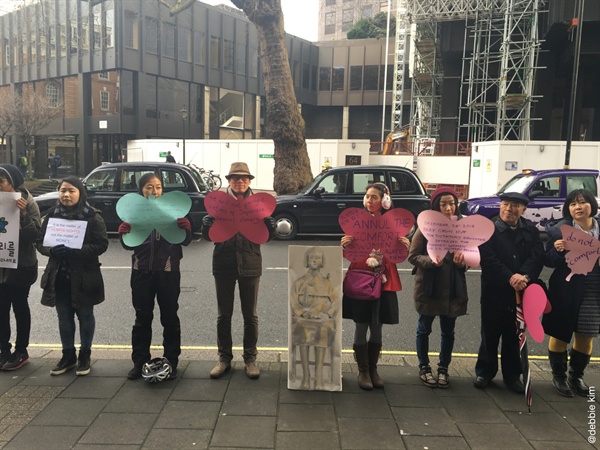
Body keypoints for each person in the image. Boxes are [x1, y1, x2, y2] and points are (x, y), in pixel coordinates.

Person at [202, 162, 276, 380]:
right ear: (229, 180)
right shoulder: (219, 205)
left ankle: (250, 359)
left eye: (244, 178)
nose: (240, 181)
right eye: (235, 178)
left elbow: (264, 237)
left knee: (250, 315)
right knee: (224, 315)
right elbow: (209, 236)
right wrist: (206, 226)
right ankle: (224, 358)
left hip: (250, 263)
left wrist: (271, 228)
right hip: (223, 263)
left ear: (250, 181)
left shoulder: (260, 206)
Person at [118, 173, 192, 380]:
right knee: (142, 318)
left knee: (169, 318)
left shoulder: (173, 211)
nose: (155, 191)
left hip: (168, 271)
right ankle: (139, 361)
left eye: (158, 187)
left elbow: (185, 241)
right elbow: (128, 244)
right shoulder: (133, 212)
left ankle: (172, 360)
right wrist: (123, 233)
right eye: (149, 187)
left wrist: (187, 228)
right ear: (142, 191)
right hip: (141, 271)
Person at [340, 182, 409, 390]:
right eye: (367, 197)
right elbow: (349, 252)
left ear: (385, 201)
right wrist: (345, 243)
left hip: (383, 279)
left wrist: (403, 244)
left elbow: (397, 253)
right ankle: (363, 370)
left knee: (377, 326)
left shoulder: (392, 224)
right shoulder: (357, 223)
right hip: (361, 277)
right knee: (361, 324)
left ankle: (373, 368)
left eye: (375, 197)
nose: (370, 201)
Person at [37, 176, 108, 376]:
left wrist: (77, 250)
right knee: (64, 317)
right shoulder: (51, 215)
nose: (66, 195)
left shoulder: (93, 216)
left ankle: (85, 354)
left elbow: (102, 244)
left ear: (80, 193)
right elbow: (40, 241)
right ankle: (67, 355)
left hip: (84, 277)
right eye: (62, 191)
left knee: (85, 316)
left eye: (71, 191)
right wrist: (51, 251)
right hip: (59, 276)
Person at [473, 192, 544, 392]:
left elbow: (536, 256)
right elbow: (487, 258)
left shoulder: (530, 230)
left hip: (521, 292)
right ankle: (484, 372)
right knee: (490, 333)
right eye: (505, 204)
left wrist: (525, 276)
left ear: (523, 210)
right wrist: (510, 277)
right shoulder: (490, 229)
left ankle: (513, 375)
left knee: (515, 335)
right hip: (494, 290)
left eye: (514, 206)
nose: (508, 209)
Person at [408, 186, 468, 388]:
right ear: (435, 206)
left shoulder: (462, 226)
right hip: (430, 287)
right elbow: (413, 255)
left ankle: (444, 367)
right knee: (424, 328)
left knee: (448, 331)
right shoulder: (425, 226)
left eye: (452, 203)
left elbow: (470, 256)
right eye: (444, 204)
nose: (449, 208)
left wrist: (462, 262)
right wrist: (430, 261)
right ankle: (423, 366)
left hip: (453, 287)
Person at [543, 189, 599, 397]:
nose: (578, 207)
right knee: (561, 331)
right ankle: (559, 376)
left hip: (594, 286)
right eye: (573, 204)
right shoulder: (561, 230)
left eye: (582, 203)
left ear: (592, 205)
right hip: (567, 285)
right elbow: (547, 260)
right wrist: (557, 251)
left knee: (586, 332)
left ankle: (576, 376)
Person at [0, 164, 40, 371]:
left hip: (21, 265)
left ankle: (21, 350)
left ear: (12, 183)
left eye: (1, 181)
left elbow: (34, 235)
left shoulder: (27, 202)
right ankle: (3, 351)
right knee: (1, 309)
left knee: (19, 306)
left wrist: (23, 215)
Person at [290, 247, 338, 390]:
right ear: (307, 260)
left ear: (322, 261)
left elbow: (334, 303)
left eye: (317, 258)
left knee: (323, 332)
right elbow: (294, 302)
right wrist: (303, 313)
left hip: (322, 320)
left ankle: (318, 378)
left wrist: (326, 314)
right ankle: (306, 376)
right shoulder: (299, 282)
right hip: (304, 320)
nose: (314, 260)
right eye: (311, 257)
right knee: (302, 331)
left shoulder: (327, 283)